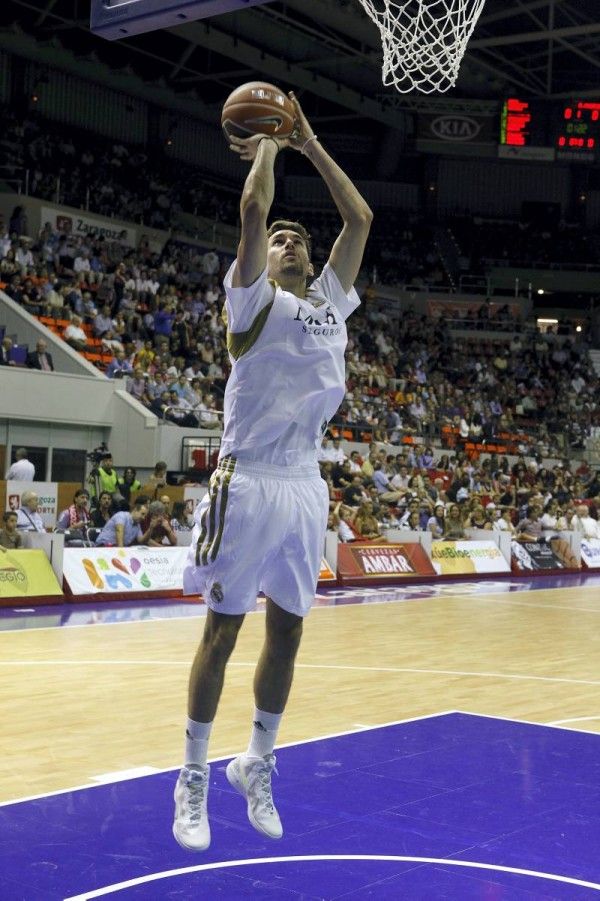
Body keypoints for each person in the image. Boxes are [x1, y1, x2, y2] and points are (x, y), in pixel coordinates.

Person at [174, 95, 372, 852]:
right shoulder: (249, 298)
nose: (288, 241)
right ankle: (192, 776)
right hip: (248, 479)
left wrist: (312, 142)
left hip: (304, 486)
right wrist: (268, 144)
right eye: (281, 238)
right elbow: (254, 209)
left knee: (287, 633)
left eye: (298, 238)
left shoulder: (329, 304)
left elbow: (359, 221)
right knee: (222, 632)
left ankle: (256, 760)